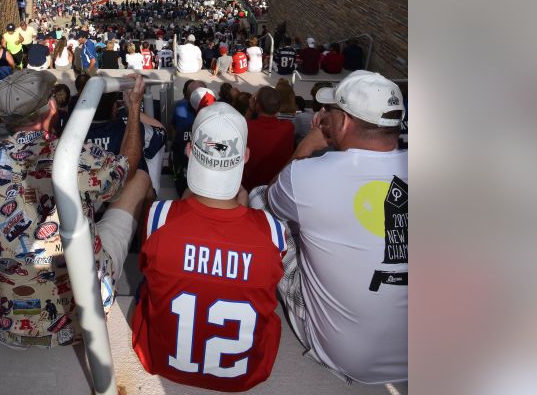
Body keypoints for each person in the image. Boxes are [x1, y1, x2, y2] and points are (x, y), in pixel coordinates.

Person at [0, 71, 153, 349]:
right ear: (52, 107)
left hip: (4, 318)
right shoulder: (77, 158)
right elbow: (127, 164)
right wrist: (133, 106)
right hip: (77, 322)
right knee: (139, 178)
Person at [252, 71, 408, 384]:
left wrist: (305, 149)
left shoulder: (306, 177)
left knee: (259, 200)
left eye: (331, 112)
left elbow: (271, 200)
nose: (323, 116)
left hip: (347, 357)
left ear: (345, 122)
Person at [130, 103, 287, 391]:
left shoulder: (159, 216)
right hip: (244, 375)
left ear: (190, 151)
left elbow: (148, 270)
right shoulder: (271, 230)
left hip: (163, 362)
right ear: (246, 156)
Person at [242, 87, 295, 191]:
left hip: (249, 188)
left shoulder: (247, 126)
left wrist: (250, 109)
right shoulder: (288, 127)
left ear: (257, 105)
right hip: (277, 186)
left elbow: (240, 125)